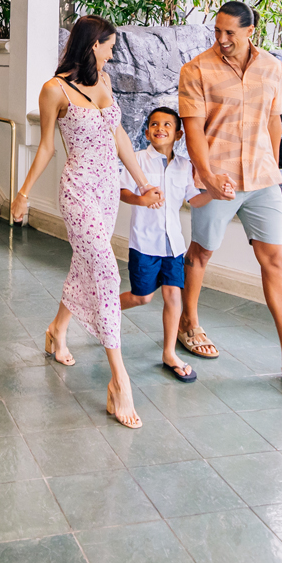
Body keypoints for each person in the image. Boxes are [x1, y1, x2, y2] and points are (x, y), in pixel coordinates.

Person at [176, 1, 282, 380]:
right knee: (200, 253)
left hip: (262, 179)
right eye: (217, 31)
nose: (221, 39)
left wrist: (274, 165)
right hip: (218, 179)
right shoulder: (196, 70)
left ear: (251, 31)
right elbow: (193, 129)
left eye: (229, 33)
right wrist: (206, 174)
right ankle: (189, 324)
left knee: (276, 260)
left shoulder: (271, 67)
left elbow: (273, 119)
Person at [11, 16, 159, 428]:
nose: (113, 51)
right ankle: (119, 380)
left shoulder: (106, 83)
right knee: (108, 273)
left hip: (108, 190)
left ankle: (58, 329)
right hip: (77, 191)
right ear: (93, 44)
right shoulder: (53, 90)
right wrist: (22, 194)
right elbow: (44, 148)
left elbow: (121, 139)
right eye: (109, 44)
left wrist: (144, 184)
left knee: (86, 264)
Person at [118, 107, 213, 383]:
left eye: (167, 125)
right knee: (142, 297)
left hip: (174, 246)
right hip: (144, 244)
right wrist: (141, 200)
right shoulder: (137, 160)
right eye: (154, 124)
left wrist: (216, 195)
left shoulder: (184, 166)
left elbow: (193, 200)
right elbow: (122, 190)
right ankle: (102, 309)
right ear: (147, 131)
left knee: (173, 296)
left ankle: (169, 353)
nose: (160, 128)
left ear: (179, 134)